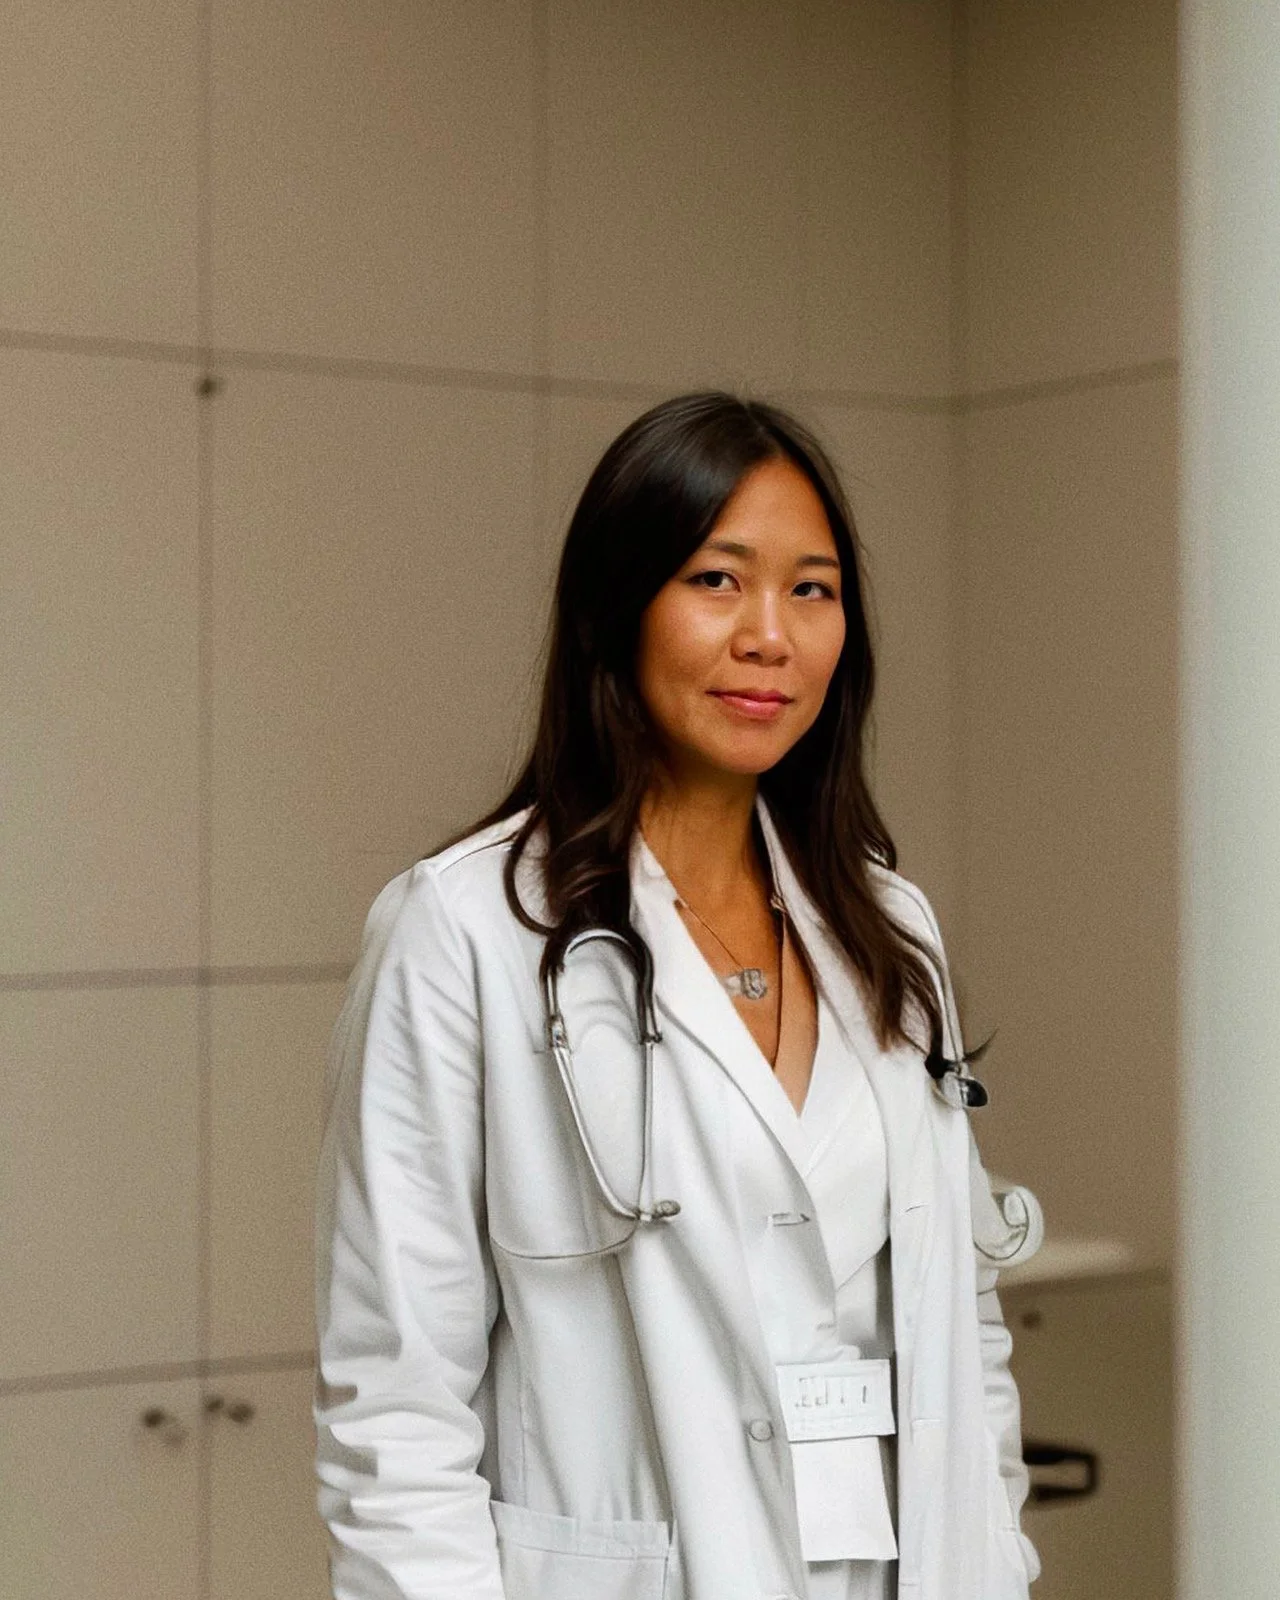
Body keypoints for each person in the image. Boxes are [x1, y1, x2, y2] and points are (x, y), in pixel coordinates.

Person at [313, 391, 1045, 1600]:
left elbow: (959, 1323)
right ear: (616, 609)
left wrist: (999, 1563)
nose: (771, 635)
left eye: (811, 590)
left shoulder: (883, 924)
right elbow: (394, 1393)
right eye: (718, 580)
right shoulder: (468, 930)